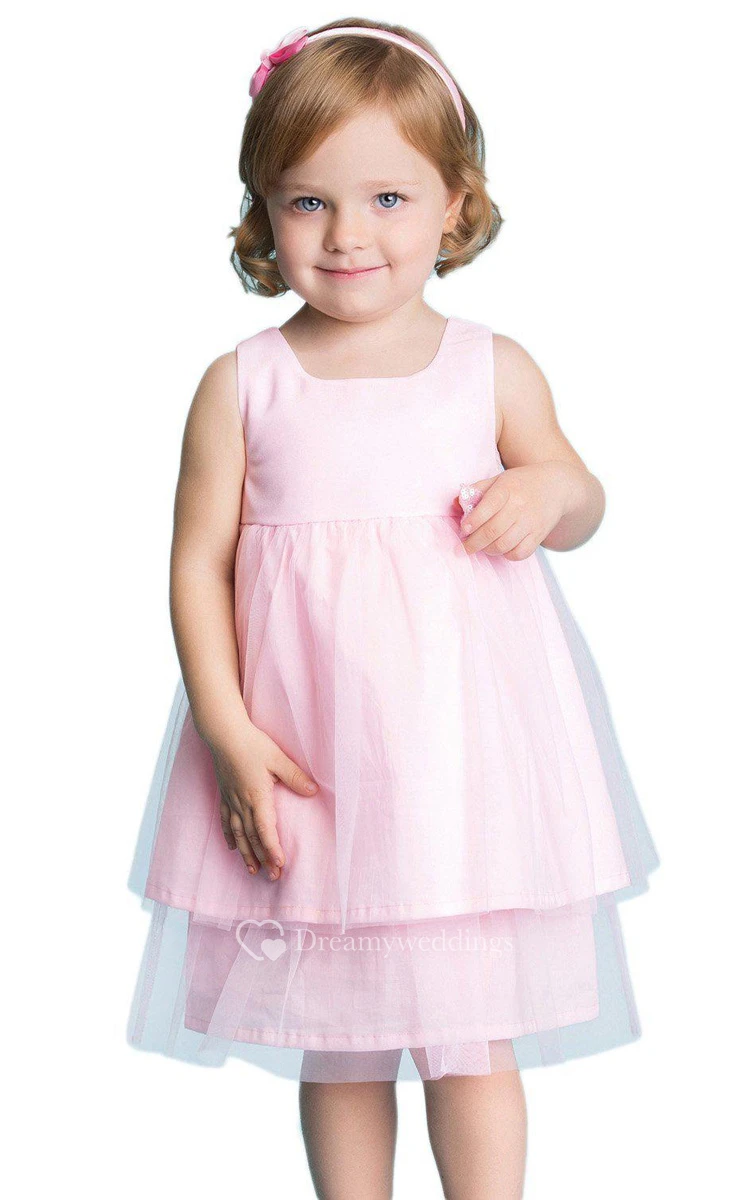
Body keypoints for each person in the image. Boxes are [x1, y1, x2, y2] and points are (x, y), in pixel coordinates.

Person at [127, 18, 659, 1199]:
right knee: (341, 1035)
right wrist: (226, 728)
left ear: (455, 204)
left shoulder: (489, 367)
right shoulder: (243, 384)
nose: (348, 235)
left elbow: (581, 496)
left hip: (460, 771)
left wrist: (548, 492)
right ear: (264, 210)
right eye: (308, 202)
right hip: (310, 760)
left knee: (470, 1035)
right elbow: (196, 564)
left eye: (386, 198)